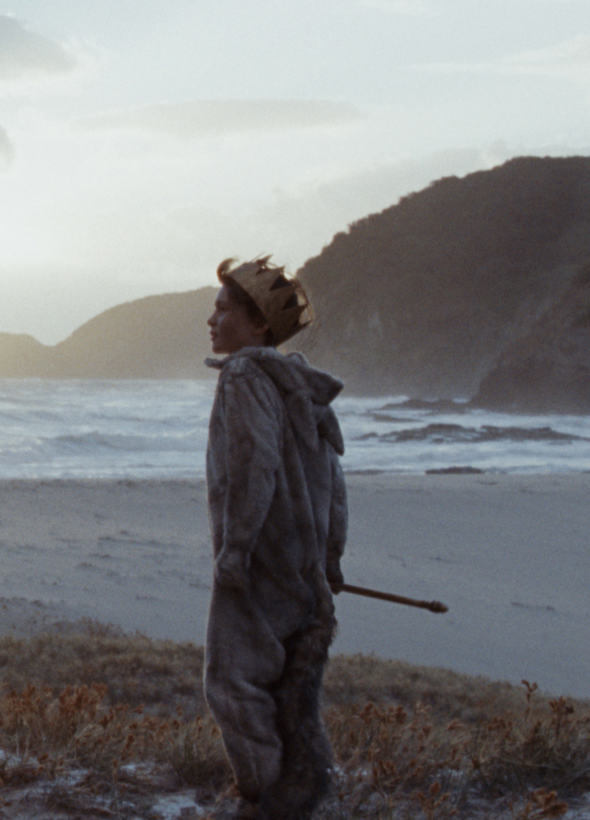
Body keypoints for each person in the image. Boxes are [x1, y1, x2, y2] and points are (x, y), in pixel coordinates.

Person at [203, 256, 347, 820]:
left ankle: (264, 799)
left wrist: (236, 551)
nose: (211, 321)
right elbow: (333, 481)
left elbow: (253, 466)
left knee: (233, 681)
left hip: (262, 560)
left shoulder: (243, 376)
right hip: (303, 567)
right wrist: (330, 559)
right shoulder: (300, 387)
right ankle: (298, 787)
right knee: (290, 684)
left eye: (221, 309)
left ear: (258, 323)